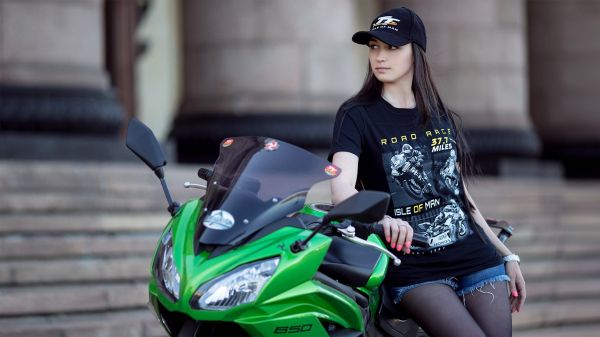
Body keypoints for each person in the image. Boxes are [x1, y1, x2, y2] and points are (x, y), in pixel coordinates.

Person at [328, 7, 526, 337]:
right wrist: (381, 218)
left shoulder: (438, 114)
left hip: (475, 258)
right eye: (374, 46)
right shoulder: (355, 115)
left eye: (392, 47)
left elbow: (460, 196)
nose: (380, 56)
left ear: (415, 53)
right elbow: (341, 189)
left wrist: (508, 255)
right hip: (415, 269)